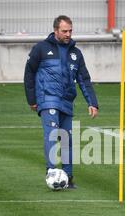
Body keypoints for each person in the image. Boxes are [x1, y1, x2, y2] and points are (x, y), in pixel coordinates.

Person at [24, 15, 98, 189]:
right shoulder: (41, 49)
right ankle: (51, 172)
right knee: (52, 134)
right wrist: (32, 99)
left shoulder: (76, 54)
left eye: (70, 31)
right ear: (55, 30)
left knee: (66, 139)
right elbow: (29, 74)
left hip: (66, 101)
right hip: (47, 99)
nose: (68, 34)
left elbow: (84, 80)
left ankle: (68, 176)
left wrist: (92, 103)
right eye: (64, 31)